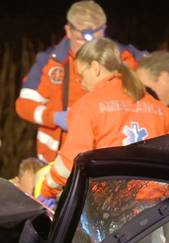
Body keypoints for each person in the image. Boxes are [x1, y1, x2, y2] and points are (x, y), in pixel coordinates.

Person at [40, 37, 169, 199]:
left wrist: (47, 189)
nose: (80, 82)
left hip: (110, 206)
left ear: (95, 67)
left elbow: (70, 160)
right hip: (157, 208)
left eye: (81, 75)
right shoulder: (161, 110)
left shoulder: (88, 106)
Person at [15, 1, 145, 163]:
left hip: (106, 155)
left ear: (103, 30)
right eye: (80, 41)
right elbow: (24, 105)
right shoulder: (49, 63)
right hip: (55, 158)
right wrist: (54, 117)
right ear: (68, 31)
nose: (87, 50)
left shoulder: (125, 58)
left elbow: (156, 87)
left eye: (94, 41)